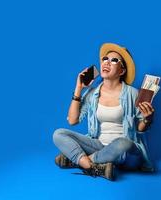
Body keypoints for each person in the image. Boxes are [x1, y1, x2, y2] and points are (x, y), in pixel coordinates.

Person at [53, 43, 155, 181]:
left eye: (114, 60)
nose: (107, 62)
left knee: (122, 143)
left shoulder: (132, 93)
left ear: (122, 71)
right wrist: (79, 88)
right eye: (105, 59)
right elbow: (72, 120)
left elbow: (140, 128)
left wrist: (148, 119)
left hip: (125, 151)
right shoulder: (92, 93)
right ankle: (96, 166)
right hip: (98, 146)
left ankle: (79, 161)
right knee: (59, 134)